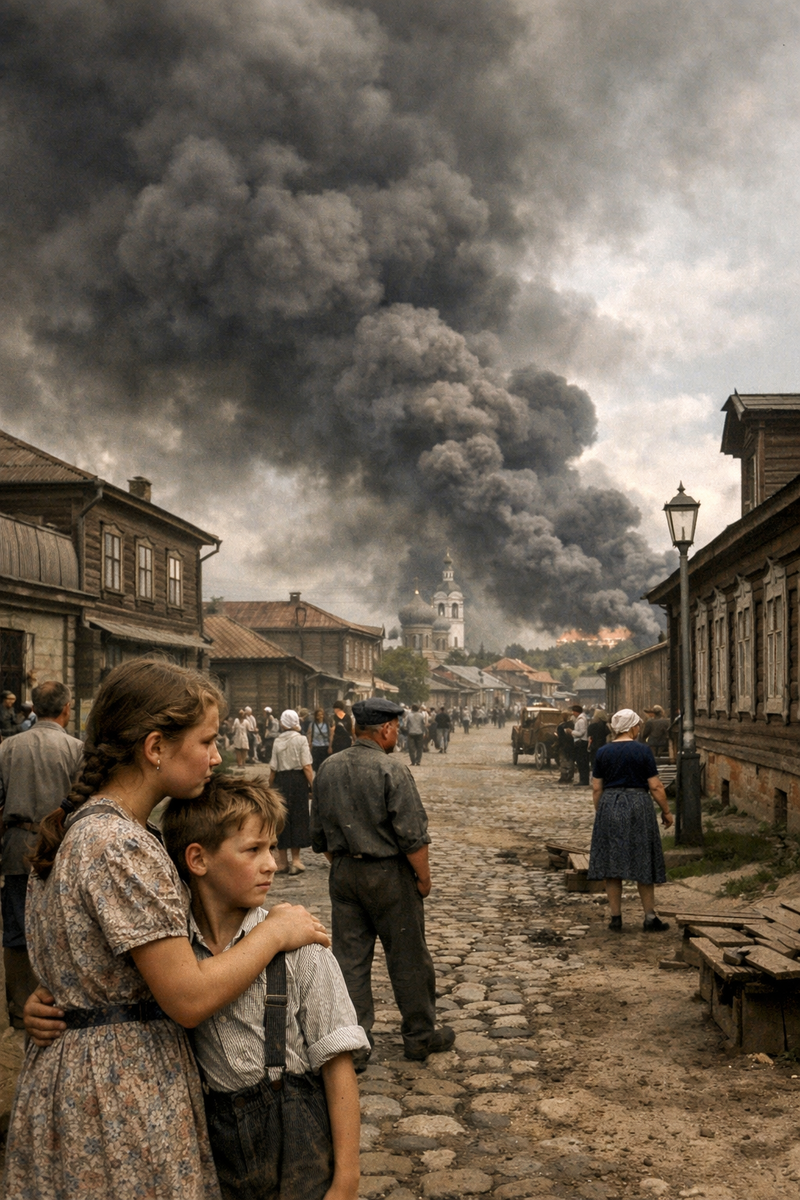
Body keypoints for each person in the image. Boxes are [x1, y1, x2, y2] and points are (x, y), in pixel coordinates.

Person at [3, 658, 328, 1200]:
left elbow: (84, 962)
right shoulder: (121, 846)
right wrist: (275, 931)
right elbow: (186, 997)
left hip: (67, 1078)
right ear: (155, 748)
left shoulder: (80, 830)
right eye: (206, 741)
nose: (217, 757)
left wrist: (63, 1000)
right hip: (120, 1093)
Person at [161, 775, 367, 1200]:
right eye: (253, 850)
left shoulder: (301, 947)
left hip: (299, 1150)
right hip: (219, 1157)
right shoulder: (173, 957)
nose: (271, 863)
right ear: (197, 859)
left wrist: (346, 1179)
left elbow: (338, 1065)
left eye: (272, 848)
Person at [311, 697, 454, 1066]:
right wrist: (423, 879)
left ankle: (354, 1047)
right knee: (407, 958)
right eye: (396, 728)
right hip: (389, 874)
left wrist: (346, 861)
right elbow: (412, 835)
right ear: (386, 729)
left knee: (350, 961)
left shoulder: (327, 768)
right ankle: (420, 1036)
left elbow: (320, 836)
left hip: (344, 874)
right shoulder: (392, 769)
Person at [0, 681, 83, 1027]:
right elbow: (81, 803)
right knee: (62, 924)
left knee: (17, 927)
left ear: (33, 708)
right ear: (66, 709)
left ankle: (21, 1009)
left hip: (16, 844)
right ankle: (59, 1002)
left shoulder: (8, 748)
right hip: (59, 846)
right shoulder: (76, 748)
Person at [588, 708, 674, 933]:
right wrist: (666, 811)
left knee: (611, 863)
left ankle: (616, 918)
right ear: (633, 728)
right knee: (642, 858)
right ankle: (649, 917)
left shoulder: (603, 752)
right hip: (638, 804)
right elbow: (655, 785)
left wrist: (602, 812)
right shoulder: (642, 751)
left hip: (610, 804)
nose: (638, 729)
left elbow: (597, 787)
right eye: (637, 726)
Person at [269, 709, 313, 876]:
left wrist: (270, 787)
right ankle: (296, 860)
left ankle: (282, 862)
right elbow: (306, 766)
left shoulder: (277, 741)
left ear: (282, 723)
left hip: (281, 781)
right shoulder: (301, 740)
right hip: (298, 781)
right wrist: (312, 785)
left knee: (282, 819)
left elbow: (273, 768)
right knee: (298, 817)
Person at [570, 704, 591, 786]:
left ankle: (584, 780)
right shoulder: (580, 719)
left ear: (576, 712)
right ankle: (583, 779)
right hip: (581, 742)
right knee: (581, 762)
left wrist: (571, 732)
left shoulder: (581, 720)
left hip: (581, 742)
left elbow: (581, 733)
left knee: (582, 762)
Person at [307, 708, 330, 772]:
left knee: (325, 765)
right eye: (318, 715)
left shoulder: (327, 725)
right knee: (316, 766)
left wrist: (330, 746)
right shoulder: (312, 725)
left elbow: (330, 735)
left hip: (325, 746)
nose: (320, 716)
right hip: (316, 746)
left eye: (322, 714)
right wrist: (309, 746)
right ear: (316, 716)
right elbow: (310, 735)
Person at [555, 711, 575, 784]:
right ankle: (570, 776)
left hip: (564, 745)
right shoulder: (572, 724)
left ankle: (564, 776)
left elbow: (560, 737)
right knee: (570, 760)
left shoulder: (561, 726)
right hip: (571, 745)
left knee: (563, 761)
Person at [588, 708, 610, 772]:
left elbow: (589, 734)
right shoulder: (606, 726)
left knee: (595, 766)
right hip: (604, 747)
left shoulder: (592, 726)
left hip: (595, 747)